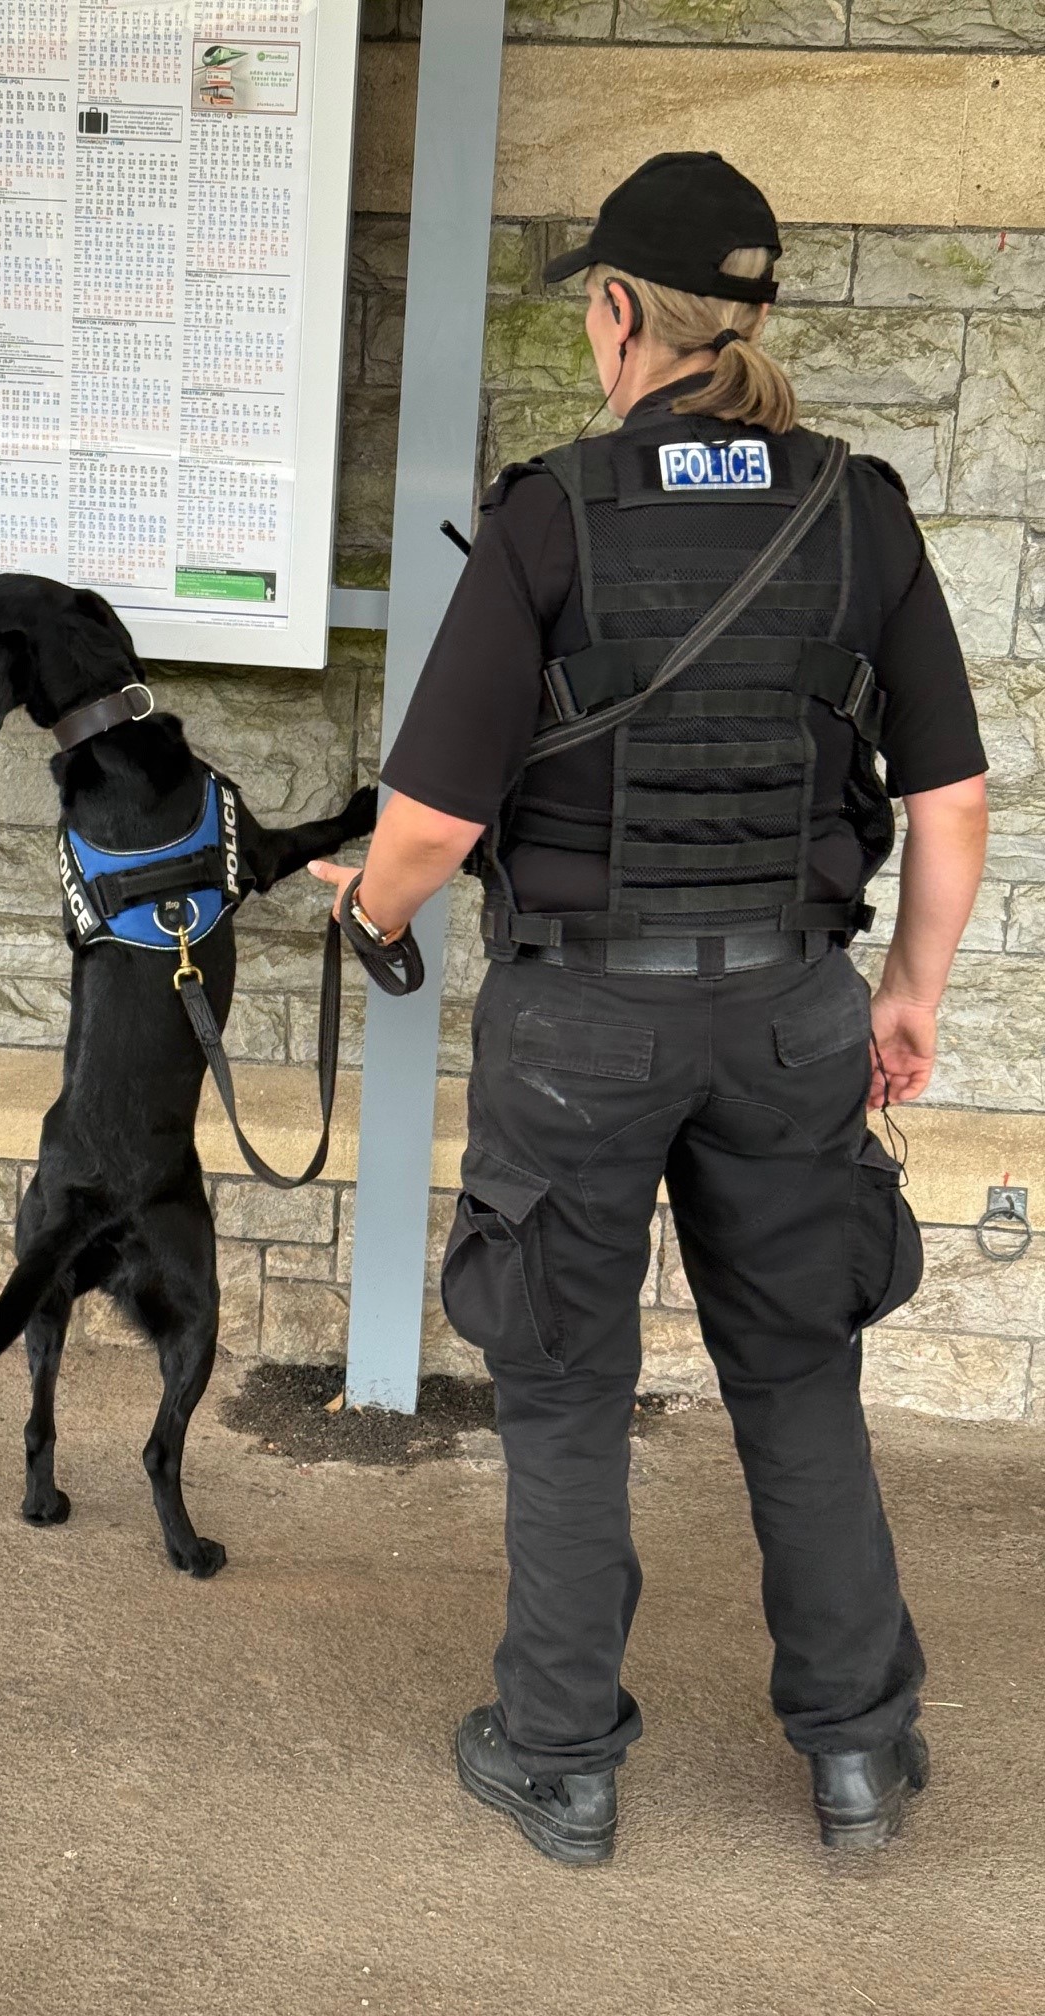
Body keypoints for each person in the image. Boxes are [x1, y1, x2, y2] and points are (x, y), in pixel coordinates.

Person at [311, 152, 988, 1866]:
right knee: (799, 1373)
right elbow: (954, 800)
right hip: (792, 1017)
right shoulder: (860, 507)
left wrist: (369, 910)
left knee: (559, 1389)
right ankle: (857, 1751)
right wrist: (907, 995)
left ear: (619, 312)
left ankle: (560, 1759)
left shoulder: (551, 514)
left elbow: (430, 828)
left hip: (584, 1031)